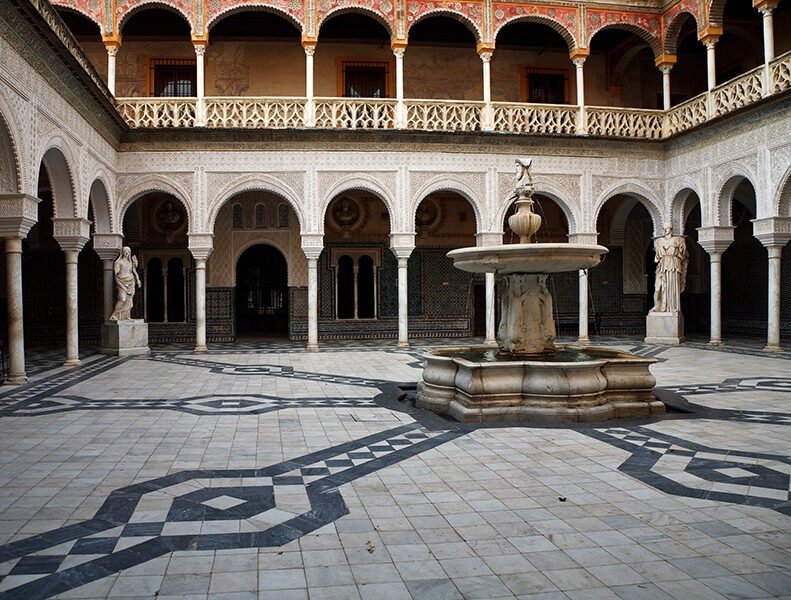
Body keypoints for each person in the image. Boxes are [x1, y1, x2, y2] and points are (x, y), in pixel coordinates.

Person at [650, 222, 688, 313]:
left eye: (666, 228)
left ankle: (671, 307)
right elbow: (657, 255)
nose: (665, 230)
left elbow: (684, 254)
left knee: (671, 285)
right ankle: (659, 305)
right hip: (663, 265)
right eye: (663, 228)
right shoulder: (659, 241)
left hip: (674, 264)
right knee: (658, 288)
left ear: (671, 229)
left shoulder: (678, 240)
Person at [109, 246, 141, 321]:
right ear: (122, 252)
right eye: (125, 251)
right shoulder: (118, 262)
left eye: (128, 251)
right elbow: (116, 274)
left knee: (129, 300)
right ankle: (114, 315)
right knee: (122, 299)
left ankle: (127, 316)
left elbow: (134, 271)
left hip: (130, 281)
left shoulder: (130, 262)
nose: (126, 252)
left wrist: (138, 279)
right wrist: (118, 282)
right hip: (121, 281)